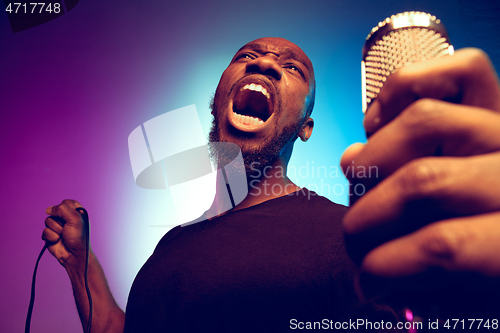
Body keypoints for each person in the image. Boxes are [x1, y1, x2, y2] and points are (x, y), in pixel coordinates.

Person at [42, 37, 500, 332]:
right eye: (246, 56)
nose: (264, 63)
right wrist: (81, 264)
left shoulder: (346, 237)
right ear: (219, 97)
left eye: (292, 67)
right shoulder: (170, 247)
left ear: (306, 126)